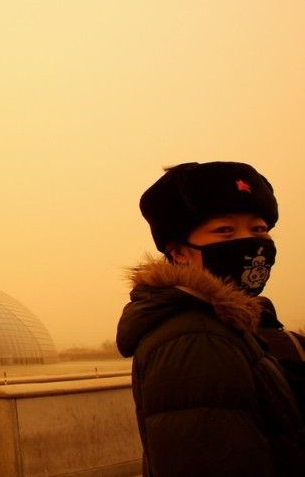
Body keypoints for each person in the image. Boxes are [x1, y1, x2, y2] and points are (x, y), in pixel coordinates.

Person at [116, 161, 305, 476]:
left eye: (259, 229)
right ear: (179, 252)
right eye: (224, 230)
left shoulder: (234, 326)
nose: (249, 241)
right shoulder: (196, 339)